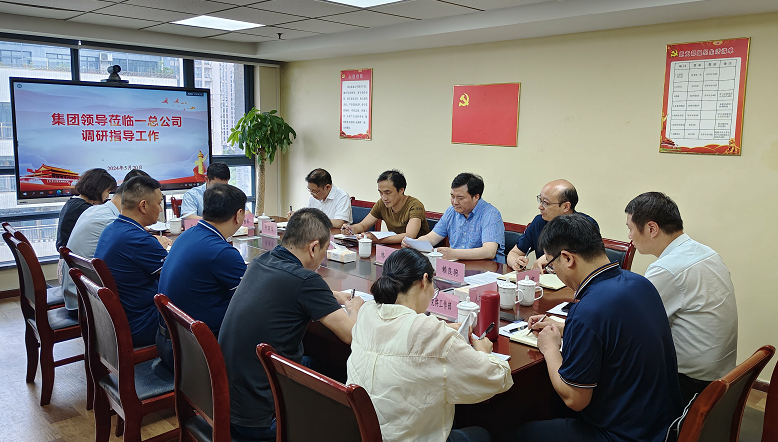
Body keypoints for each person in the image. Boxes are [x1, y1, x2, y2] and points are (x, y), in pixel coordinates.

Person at [511, 214, 682, 442]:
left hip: (624, 435)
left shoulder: (588, 310)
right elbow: (615, 334)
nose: (555, 272)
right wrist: (565, 328)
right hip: (664, 425)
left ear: (567, 258)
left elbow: (575, 398)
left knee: (517, 433)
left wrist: (550, 348)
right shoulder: (640, 283)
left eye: (551, 266)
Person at [219, 208, 364, 441]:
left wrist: (332, 295)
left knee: (320, 363)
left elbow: (293, 287)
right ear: (314, 248)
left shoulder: (262, 261)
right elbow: (351, 334)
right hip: (264, 417)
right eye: (324, 251)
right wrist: (355, 307)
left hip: (229, 403)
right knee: (348, 400)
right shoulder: (306, 281)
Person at [347, 248, 513, 442]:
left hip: (366, 433)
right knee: (482, 434)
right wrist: (484, 352)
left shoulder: (367, 311)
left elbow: (397, 332)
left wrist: (442, 329)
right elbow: (496, 378)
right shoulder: (429, 332)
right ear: (424, 280)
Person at [625, 192, 737, 406]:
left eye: (630, 228)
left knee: (615, 368)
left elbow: (631, 325)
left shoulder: (667, 268)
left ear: (651, 228)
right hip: (722, 374)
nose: (629, 236)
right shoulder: (706, 252)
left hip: (691, 384)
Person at [156, 184, 248, 371]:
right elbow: (252, 300)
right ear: (239, 215)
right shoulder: (221, 252)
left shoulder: (187, 235)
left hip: (169, 342)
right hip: (195, 353)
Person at [59, 169, 150, 317]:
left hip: (77, 293)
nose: (107, 196)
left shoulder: (94, 211)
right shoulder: (108, 220)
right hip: (86, 302)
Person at [94, 176, 172, 348]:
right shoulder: (139, 240)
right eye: (159, 203)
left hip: (114, 321)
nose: (160, 209)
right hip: (140, 324)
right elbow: (175, 277)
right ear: (143, 206)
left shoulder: (111, 229)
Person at [408, 173, 505, 263]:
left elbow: (489, 251)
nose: (455, 202)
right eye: (452, 196)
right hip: (457, 265)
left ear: (476, 197)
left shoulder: (490, 214)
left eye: (460, 198)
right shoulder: (451, 211)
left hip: (486, 268)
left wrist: (453, 253)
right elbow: (432, 238)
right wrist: (414, 244)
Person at [506, 180, 598, 271]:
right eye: (540, 200)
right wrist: (516, 262)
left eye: (545, 203)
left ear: (566, 206)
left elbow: (587, 263)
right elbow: (514, 253)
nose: (540, 207)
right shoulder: (539, 222)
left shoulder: (586, 226)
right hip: (543, 279)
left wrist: (550, 258)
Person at [341, 170, 430, 244]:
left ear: (401, 190)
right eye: (381, 193)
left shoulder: (415, 205)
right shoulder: (382, 203)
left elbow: (410, 236)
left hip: (416, 251)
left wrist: (377, 240)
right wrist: (352, 229)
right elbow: (363, 225)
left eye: (388, 193)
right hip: (393, 247)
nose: (384, 198)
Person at [55, 168, 117, 250]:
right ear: (98, 189)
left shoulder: (73, 203)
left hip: (68, 254)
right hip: (76, 255)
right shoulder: (86, 209)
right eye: (108, 192)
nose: (107, 196)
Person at [287, 168, 352, 228]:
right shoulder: (313, 197)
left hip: (334, 235)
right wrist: (297, 216)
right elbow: (308, 215)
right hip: (316, 232)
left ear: (327, 187)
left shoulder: (342, 196)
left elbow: (338, 223)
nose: (312, 194)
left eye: (314, 191)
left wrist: (313, 219)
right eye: (310, 190)